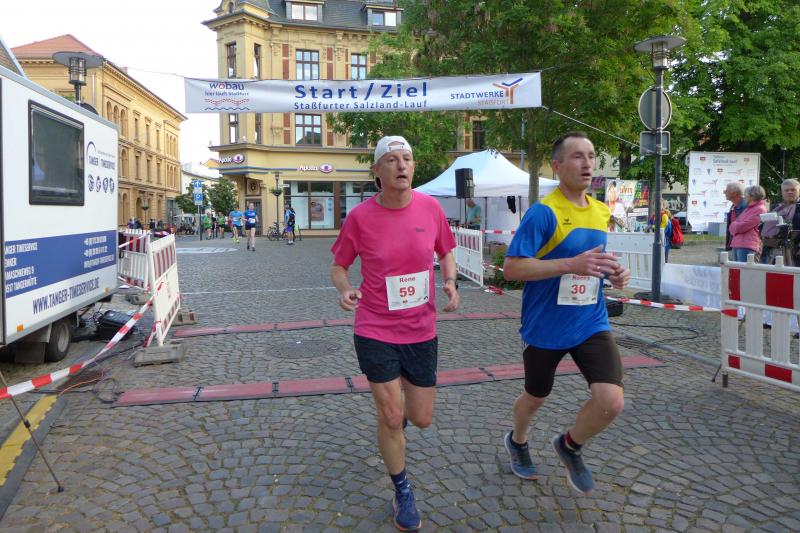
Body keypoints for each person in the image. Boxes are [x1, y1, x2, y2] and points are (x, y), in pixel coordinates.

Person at [330, 135, 459, 531]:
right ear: (377, 171)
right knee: (390, 414)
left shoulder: (430, 208)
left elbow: (446, 250)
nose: (402, 165)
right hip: (375, 326)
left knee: (421, 418)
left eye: (407, 158)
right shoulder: (360, 218)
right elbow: (339, 266)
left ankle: (396, 423)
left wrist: (450, 281)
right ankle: (402, 490)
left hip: (420, 329)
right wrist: (345, 289)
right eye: (392, 160)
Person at [501, 131, 631, 495]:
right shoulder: (544, 213)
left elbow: (594, 264)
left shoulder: (600, 211)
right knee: (536, 396)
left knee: (611, 401)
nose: (587, 163)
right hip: (545, 325)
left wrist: (614, 274)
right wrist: (569, 264)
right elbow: (512, 269)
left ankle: (570, 445)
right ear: (557, 166)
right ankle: (518, 439)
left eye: (590, 155)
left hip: (590, 320)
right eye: (577, 156)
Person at [760, 178, 800, 264]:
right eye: (786, 190)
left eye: (793, 190)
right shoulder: (776, 208)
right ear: (782, 192)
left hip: (795, 252)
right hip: (773, 249)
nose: (789, 192)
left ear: (799, 191)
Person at [729, 185, 767, 262]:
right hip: (737, 243)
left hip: (747, 245)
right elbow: (733, 225)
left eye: (746, 195)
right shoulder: (748, 208)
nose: (744, 197)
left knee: (744, 269)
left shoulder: (760, 209)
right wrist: (735, 225)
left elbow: (743, 226)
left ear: (752, 196)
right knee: (736, 269)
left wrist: (734, 226)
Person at [724, 182, 747, 251]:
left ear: (734, 193)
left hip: (743, 244)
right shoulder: (734, 206)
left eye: (726, 191)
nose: (724, 192)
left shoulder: (746, 206)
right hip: (735, 243)